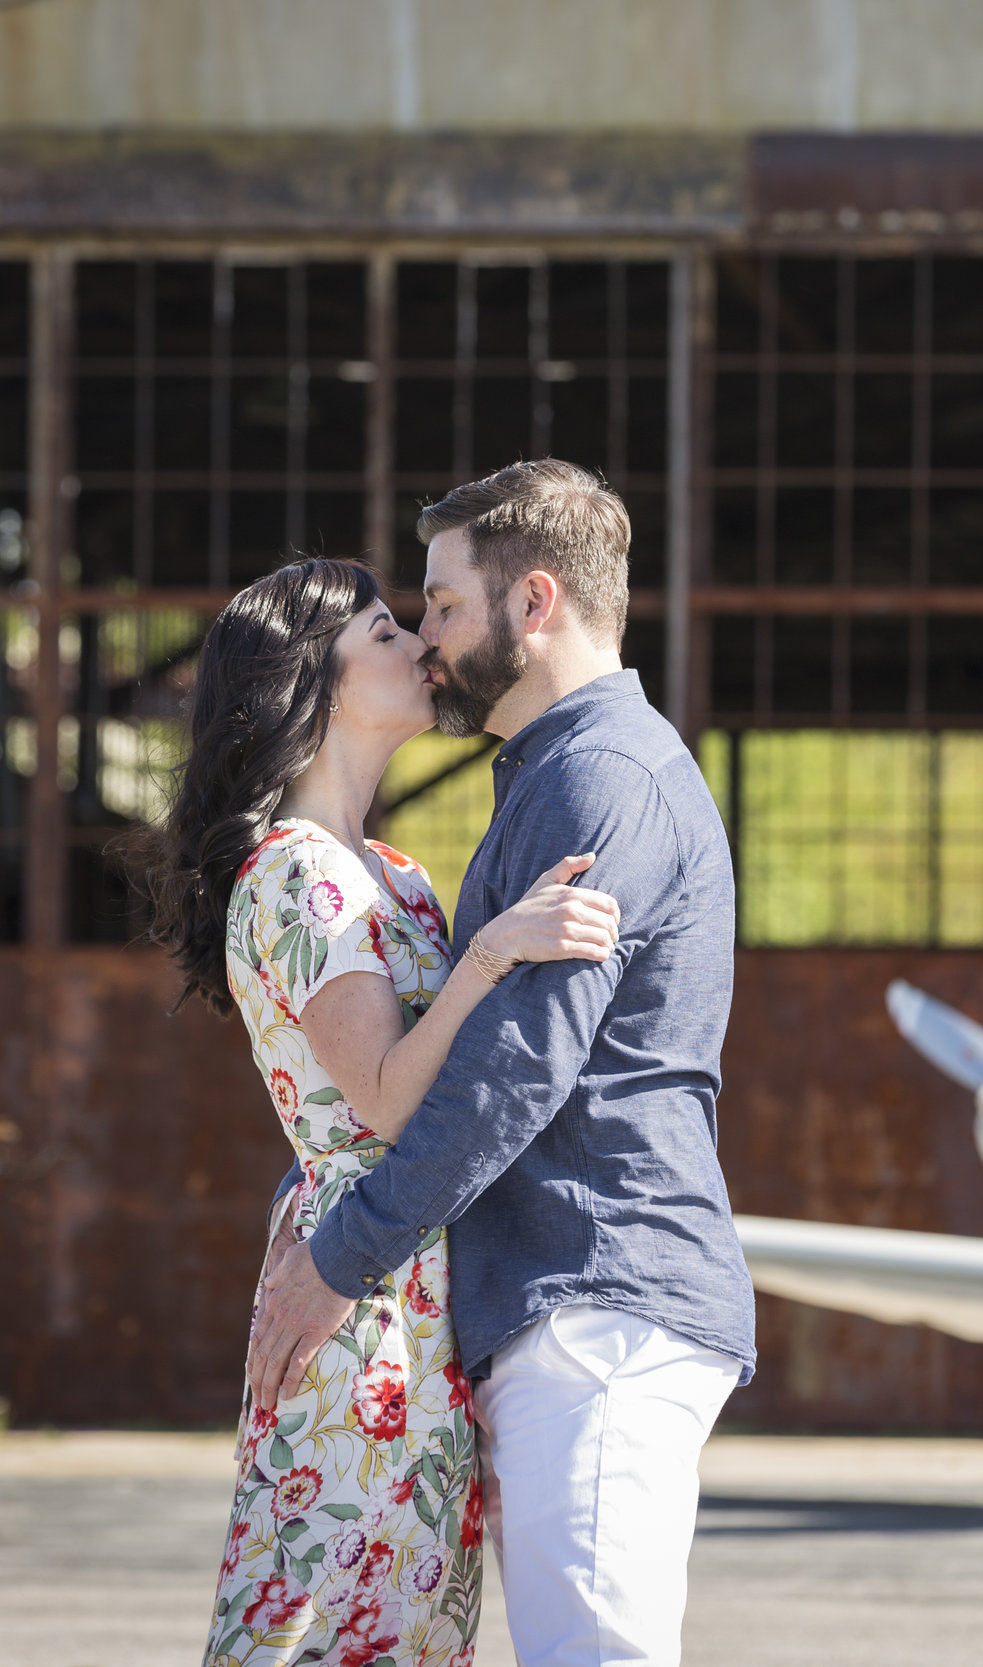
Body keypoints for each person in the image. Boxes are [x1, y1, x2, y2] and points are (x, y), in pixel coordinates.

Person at [246, 460, 758, 1667]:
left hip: (597, 1293)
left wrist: (344, 1254)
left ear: (534, 603)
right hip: (568, 1294)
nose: (428, 637)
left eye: (443, 603)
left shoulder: (598, 775)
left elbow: (519, 1066)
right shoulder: (556, 769)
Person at [144, 554, 624, 1667]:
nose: (420, 643)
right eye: (382, 630)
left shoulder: (396, 875)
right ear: (310, 684)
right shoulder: (297, 874)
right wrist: (495, 949)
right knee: (328, 1617)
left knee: (406, 1618)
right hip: (363, 1303)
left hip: (414, 1285)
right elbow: (386, 1099)